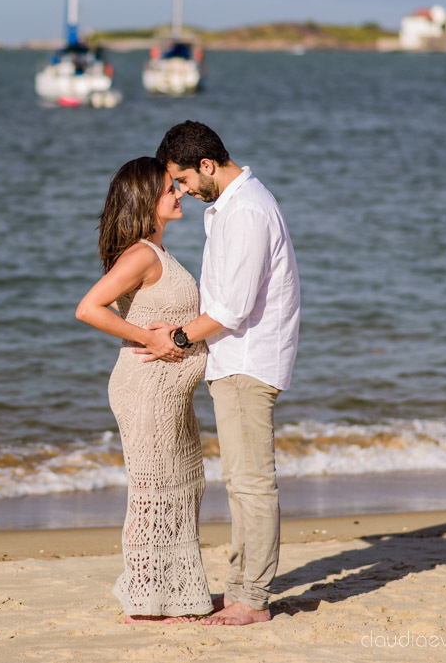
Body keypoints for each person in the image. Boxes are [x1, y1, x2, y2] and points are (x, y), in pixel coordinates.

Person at [145, 120, 301, 626]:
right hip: (235, 359)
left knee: (251, 482)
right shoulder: (232, 208)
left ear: (207, 165)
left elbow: (232, 308)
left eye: (184, 180)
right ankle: (240, 589)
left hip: (249, 360)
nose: (183, 192)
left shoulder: (248, 211)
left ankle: (252, 599)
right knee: (240, 480)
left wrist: (180, 338)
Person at [75, 156, 213, 624]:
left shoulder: (156, 252)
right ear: (145, 201)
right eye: (169, 189)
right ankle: (145, 602)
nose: (179, 194)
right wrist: (149, 337)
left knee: (184, 485)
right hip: (146, 389)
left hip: (168, 394)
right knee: (154, 492)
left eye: (178, 186)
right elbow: (89, 308)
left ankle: (173, 591)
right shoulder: (141, 254)